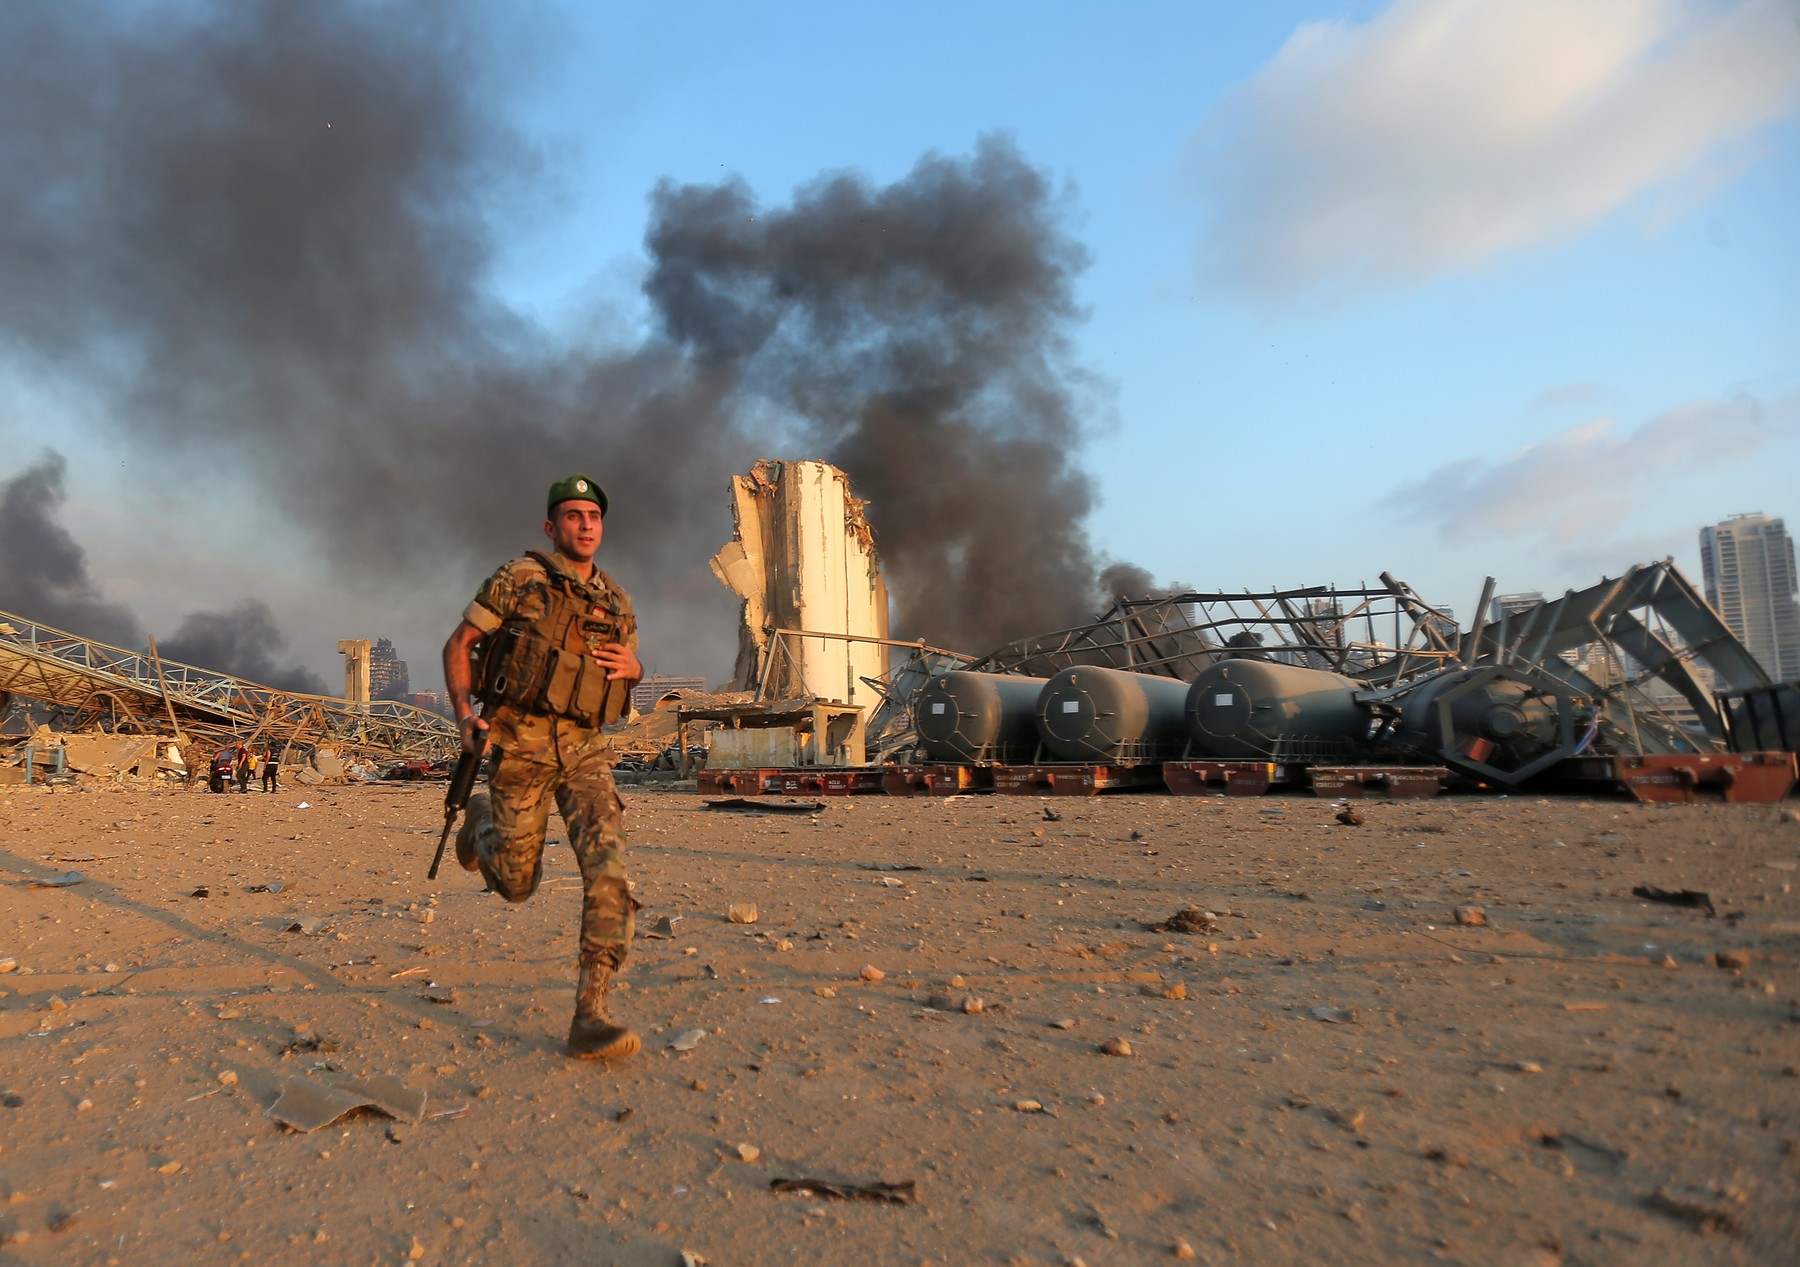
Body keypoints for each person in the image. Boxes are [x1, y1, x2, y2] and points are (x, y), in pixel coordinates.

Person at [441, 475, 643, 1060]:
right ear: (551, 528)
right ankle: (480, 826)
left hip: (585, 750)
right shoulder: (519, 580)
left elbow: (621, 680)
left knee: (610, 873)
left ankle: (592, 1013)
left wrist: (636, 666)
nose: (585, 524)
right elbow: (459, 645)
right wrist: (462, 716)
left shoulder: (618, 601)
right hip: (521, 745)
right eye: (572, 515)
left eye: (594, 515)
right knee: (515, 885)